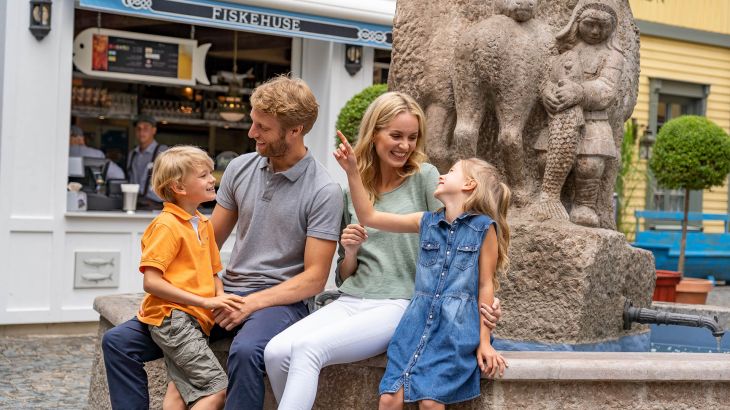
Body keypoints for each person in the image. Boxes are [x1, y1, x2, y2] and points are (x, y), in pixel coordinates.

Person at [101, 76, 343, 410]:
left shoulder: (323, 191)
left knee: (245, 351)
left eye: (262, 127)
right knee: (118, 341)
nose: (251, 133)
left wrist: (253, 303)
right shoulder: (240, 169)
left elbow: (315, 278)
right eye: (253, 122)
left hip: (281, 302)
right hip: (224, 292)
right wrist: (184, 283)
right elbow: (207, 241)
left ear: (295, 130)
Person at [264, 92, 502, 410]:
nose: (404, 145)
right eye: (396, 135)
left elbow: (458, 245)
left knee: (308, 348)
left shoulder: (427, 179)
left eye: (412, 137)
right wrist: (349, 250)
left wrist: (481, 308)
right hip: (351, 299)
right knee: (276, 351)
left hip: (399, 303)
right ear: (374, 134)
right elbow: (344, 271)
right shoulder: (354, 192)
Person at [334, 132, 510, 409]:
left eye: (451, 171)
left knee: (430, 402)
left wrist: (484, 342)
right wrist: (353, 172)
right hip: (416, 322)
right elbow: (370, 217)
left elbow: (486, 286)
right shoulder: (425, 222)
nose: (441, 175)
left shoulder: (483, 229)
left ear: (469, 184)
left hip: (455, 330)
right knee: (389, 398)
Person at [137, 146, 244, 409]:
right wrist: (205, 302)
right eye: (203, 175)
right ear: (179, 187)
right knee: (216, 390)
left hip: (194, 320)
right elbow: (151, 282)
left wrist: (219, 296)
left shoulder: (203, 223)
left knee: (178, 390)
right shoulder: (166, 226)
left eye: (210, 173)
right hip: (174, 320)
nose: (212, 179)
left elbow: (212, 271)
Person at [539, 0, 624, 227]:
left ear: (612, 27)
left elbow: (607, 88)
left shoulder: (613, 57)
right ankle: (549, 197)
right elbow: (550, 79)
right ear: (577, 23)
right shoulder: (566, 53)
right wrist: (546, 92)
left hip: (594, 121)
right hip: (560, 120)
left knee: (590, 165)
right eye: (589, 24)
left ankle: (585, 203)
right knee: (545, 158)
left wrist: (580, 92)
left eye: (602, 26)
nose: (596, 31)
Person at [127, 115, 168, 209]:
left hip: (157, 205)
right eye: (138, 129)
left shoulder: (163, 152)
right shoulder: (132, 154)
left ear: (154, 130)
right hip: (135, 203)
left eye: (146, 129)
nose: (141, 132)